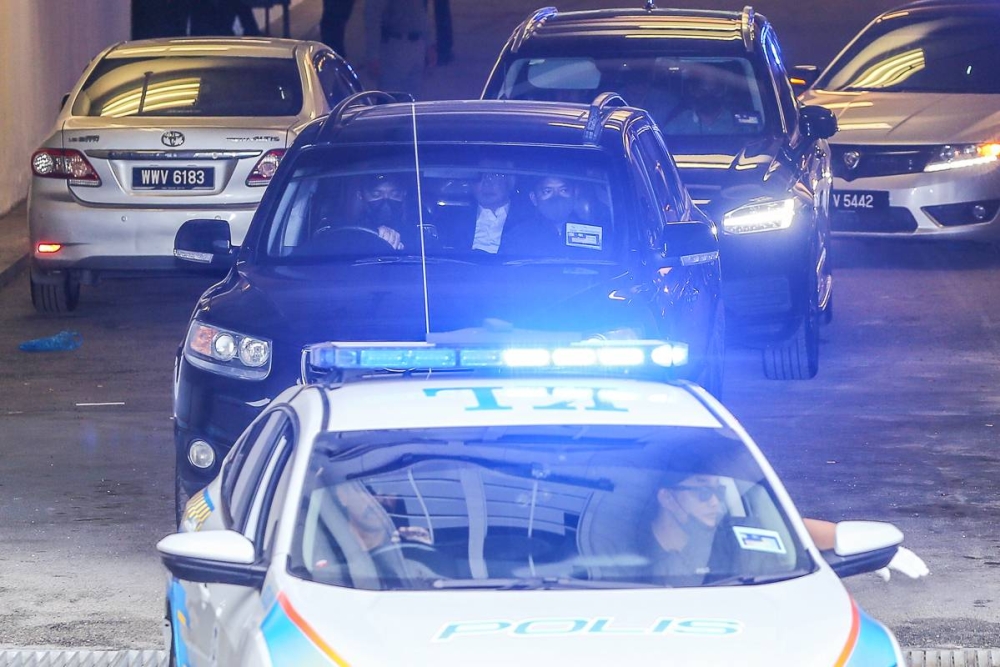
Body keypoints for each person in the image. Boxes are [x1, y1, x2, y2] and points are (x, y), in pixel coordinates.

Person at [647, 473, 930, 585]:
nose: (713, 501)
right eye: (700, 493)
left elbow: (790, 530)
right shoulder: (615, 546)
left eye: (717, 492)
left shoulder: (722, 534)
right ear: (667, 497)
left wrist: (871, 547)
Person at [499, 175, 606, 256]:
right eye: (547, 191)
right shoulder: (517, 237)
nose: (556, 197)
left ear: (575, 194)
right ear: (534, 198)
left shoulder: (595, 234)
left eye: (563, 190)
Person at [659, 63, 758, 135]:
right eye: (702, 90)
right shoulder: (679, 123)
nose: (708, 95)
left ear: (723, 91)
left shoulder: (740, 123)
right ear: (693, 91)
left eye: (714, 90)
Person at [365, 0, 436, 98]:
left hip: (417, 44)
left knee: (413, 100)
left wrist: (429, 43)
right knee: (391, 99)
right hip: (394, 46)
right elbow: (373, 17)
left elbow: (421, 11)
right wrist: (373, 55)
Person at [437, 171, 516, 253]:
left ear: (510, 181)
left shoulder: (527, 219)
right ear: (471, 183)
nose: (487, 183)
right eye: (480, 176)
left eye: (495, 175)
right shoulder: (451, 219)